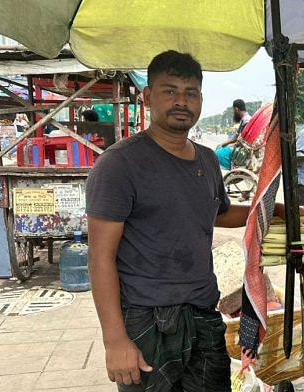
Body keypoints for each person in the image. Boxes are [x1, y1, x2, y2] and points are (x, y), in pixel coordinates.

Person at [86, 50, 258, 391]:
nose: (181, 101)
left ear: (201, 100)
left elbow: (218, 213)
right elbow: (99, 258)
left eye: (190, 93)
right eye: (170, 91)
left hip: (203, 314)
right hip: (147, 320)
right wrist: (115, 340)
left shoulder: (207, 160)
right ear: (149, 97)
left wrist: (265, 209)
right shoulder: (120, 165)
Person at [215, 99, 251, 170]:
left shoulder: (246, 120)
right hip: (242, 147)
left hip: (242, 150)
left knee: (217, 154)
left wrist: (222, 144)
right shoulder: (247, 119)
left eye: (234, 111)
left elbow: (236, 138)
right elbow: (236, 137)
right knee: (219, 148)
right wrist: (223, 144)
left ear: (236, 109)